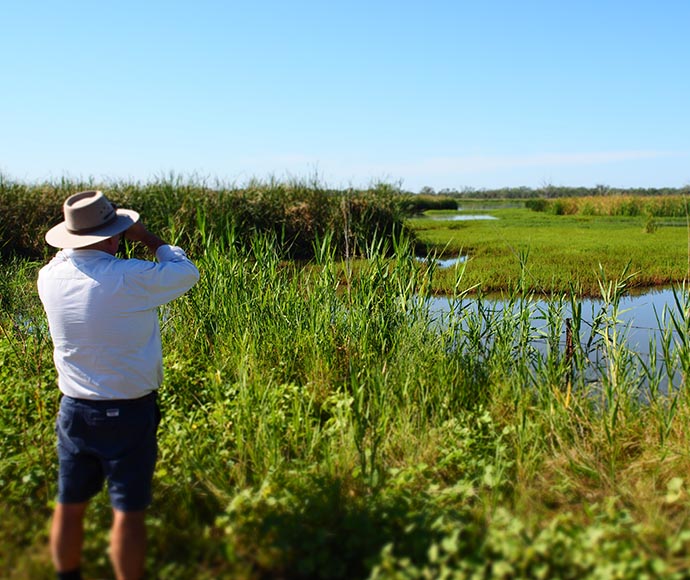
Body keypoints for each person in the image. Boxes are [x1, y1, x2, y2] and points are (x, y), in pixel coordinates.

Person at [37, 190, 200, 580]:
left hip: (74, 409)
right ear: (114, 236)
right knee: (127, 512)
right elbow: (187, 273)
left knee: (69, 505)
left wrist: (98, 235)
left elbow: (67, 255)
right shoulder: (130, 276)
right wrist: (147, 238)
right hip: (128, 411)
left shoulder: (49, 278)